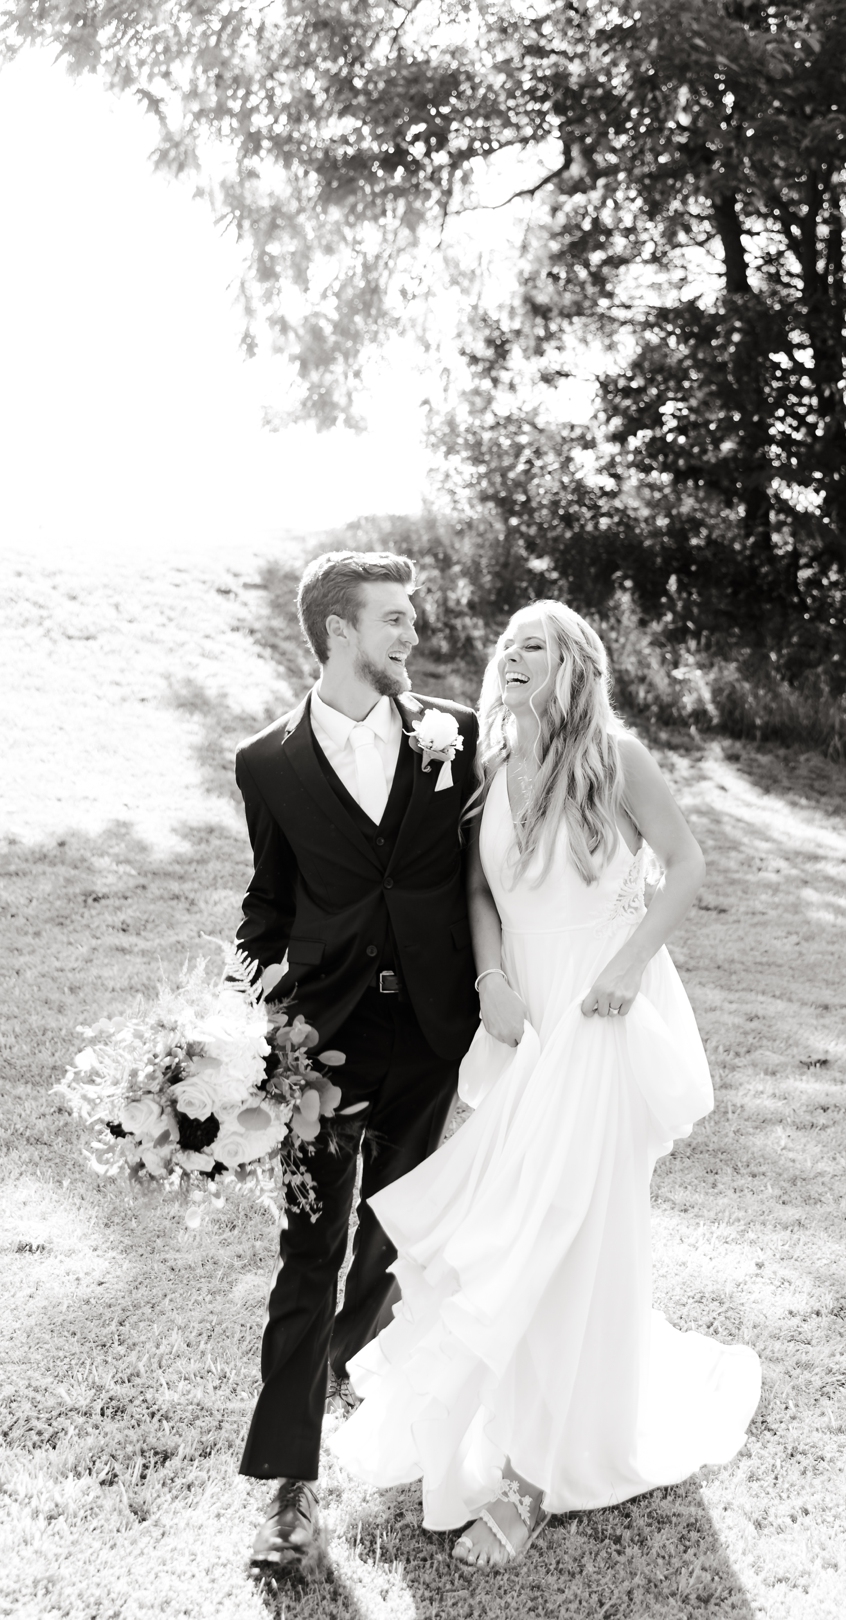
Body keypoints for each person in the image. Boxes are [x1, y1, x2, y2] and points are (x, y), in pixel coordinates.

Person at [330, 601, 761, 1567]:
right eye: (508, 642)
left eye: (537, 642)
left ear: (576, 663)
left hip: (601, 1017)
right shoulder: (491, 763)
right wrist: (490, 981)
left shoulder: (616, 758)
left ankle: (533, 1481)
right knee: (511, 1224)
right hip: (523, 1025)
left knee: (564, 1232)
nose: (513, 653)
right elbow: (481, 891)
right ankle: (514, 1429)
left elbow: (687, 865)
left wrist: (624, 968)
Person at [232, 550, 480, 1576]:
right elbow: (268, 906)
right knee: (308, 1257)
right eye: (393, 619)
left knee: (398, 1241)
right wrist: (242, 1018)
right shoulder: (269, 765)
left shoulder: (454, 736)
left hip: (431, 1033)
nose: (411, 635)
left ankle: (348, 1367)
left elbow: (489, 865)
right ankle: (287, 1497)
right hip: (321, 1047)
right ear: (338, 630)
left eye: (413, 619)